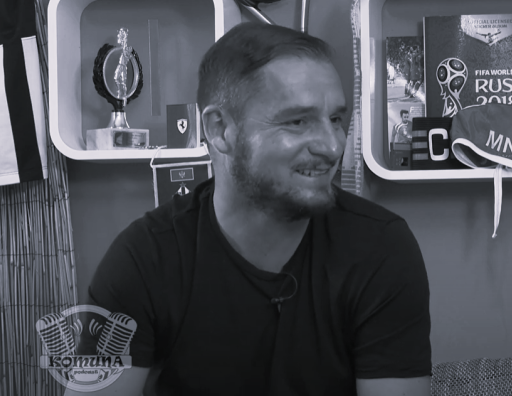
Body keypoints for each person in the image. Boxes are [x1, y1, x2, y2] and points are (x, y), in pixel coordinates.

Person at [66, 23, 431, 396]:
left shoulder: (380, 249)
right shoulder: (145, 259)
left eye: (336, 120)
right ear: (220, 129)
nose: (332, 146)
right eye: (297, 121)